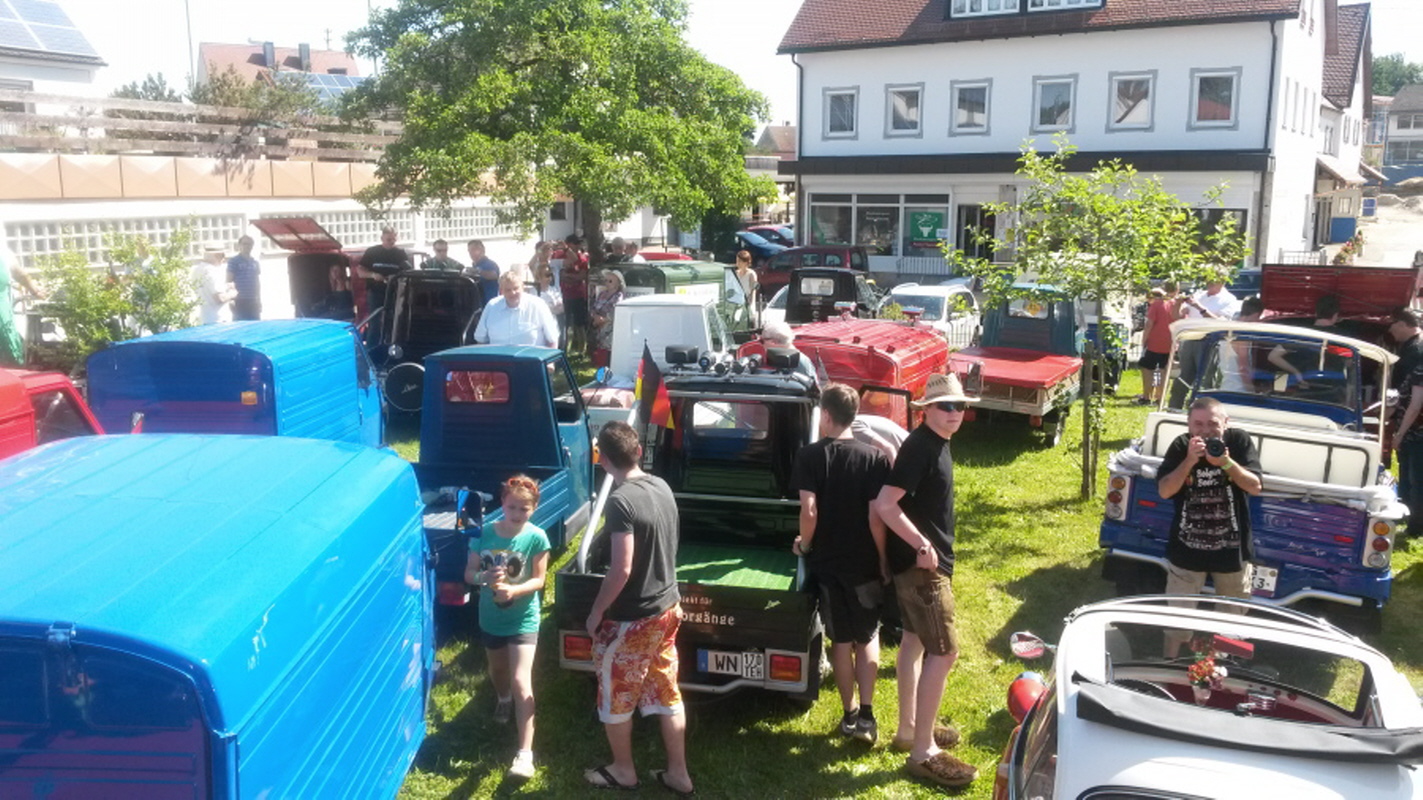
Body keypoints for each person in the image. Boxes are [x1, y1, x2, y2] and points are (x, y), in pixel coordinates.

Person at [871, 373, 979, 789]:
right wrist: (921, 544)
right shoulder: (921, 447)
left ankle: (909, 729)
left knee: (913, 643)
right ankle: (923, 752)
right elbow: (885, 504)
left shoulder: (935, 442)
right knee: (945, 653)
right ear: (926, 410)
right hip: (923, 570)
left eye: (960, 406)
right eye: (946, 406)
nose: (955, 413)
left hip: (918, 565)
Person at [583, 421, 692, 796]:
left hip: (633, 619)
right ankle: (678, 774)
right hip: (668, 609)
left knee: (615, 693)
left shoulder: (620, 501)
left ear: (603, 460)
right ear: (639, 452)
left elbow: (621, 569)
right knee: (666, 691)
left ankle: (624, 771)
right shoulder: (661, 485)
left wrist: (597, 612)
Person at [790, 384, 891, 744]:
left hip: (828, 565)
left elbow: (809, 511)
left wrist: (805, 545)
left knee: (841, 640)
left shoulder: (810, 456)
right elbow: (876, 517)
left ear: (826, 415)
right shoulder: (875, 458)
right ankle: (867, 716)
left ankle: (848, 714)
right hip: (865, 565)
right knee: (868, 637)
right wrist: (883, 559)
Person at [465, 475, 551, 780]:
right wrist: (484, 578)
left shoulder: (537, 537)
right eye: (512, 507)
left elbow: (539, 580)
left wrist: (514, 591)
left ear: (533, 508)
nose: (516, 514)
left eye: (523, 509)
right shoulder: (484, 532)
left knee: (520, 679)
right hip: (491, 618)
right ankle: (503, 699)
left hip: (523, 618)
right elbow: (469, 573)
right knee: (498, 670)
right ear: (502, 503)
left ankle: (525, 755)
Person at [1156, 397, 1263, 623]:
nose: (1206, 431)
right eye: (1199, 424)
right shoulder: (1181, 445)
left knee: (1232, 623)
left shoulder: (1239, 441)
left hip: (1232, 554)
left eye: (1213, 423)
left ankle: (1222, 648)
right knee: (1177, 623)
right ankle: (1176, 647)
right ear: (1189, 425)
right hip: (1186, 552)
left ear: (1226, 423)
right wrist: (1189, 461)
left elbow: (1255, 487)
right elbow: (1165, 491)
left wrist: (1226, 463)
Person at [1169, 275, 1240, 408]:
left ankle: (1201, 409)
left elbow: (1220, 323)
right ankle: (1174, 407)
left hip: (1209, 342)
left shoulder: (1229, 299)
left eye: (1213, 280)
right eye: (1208, 280)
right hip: (1189, 339)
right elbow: (1176, 316)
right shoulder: (1199, 294)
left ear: (1222, 281)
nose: (1209, 283)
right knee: (1183, 377)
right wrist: (1178, 303)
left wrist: (1199, 307)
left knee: (1205, 380)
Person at [473, 271, 559, 347]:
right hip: (498, 359)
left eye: (515, 288)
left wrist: (549, 360)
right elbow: (480, 340)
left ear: (523, 287)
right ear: (501, 291)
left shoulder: (538, 305)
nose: (512, 293)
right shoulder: (492, 306)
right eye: (508, 290)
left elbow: (552, 340)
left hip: (530, 359)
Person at [1135, 281, 1179, 405]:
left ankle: (1147, 396)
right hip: (1170, 342)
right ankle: (1160, 398)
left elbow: (1149, 324)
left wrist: (1144, 340)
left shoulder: (1157, 304)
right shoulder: (1176, 305)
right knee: (1163, 370)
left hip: (1154, 342)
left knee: (1148, 368)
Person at [358, 226, 410, 326]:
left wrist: (395, 278)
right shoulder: (372, 252)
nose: (392, 242)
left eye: (394, 239)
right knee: (375, 321)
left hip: (394, 292)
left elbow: (406, 272)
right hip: (375, 292)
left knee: (393, 321)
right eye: (389, 240)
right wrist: (373, 275)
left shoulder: (400, 253)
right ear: (382, 238)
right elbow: (360, 271)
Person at [1, 244, 43, 366]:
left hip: (2, 310)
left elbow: (18, 272)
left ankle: (14, 369)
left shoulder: (3, 251)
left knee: (8, 344)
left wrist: (35, 290)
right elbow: (18, 272)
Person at [557, 235, 590, 352]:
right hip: (564, 295)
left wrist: (568, 276)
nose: (577, 246)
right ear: (568, 243)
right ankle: (566, 348)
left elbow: (581, 276)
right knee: (566, 324)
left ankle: (582, 349)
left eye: (578, 243)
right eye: (575, 243)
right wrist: (571, 277)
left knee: (579, 323)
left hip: (578, 295)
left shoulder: (582, 258)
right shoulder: (559, 257)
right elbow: (559, 275)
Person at [191, 243, 235, 325]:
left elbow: (207, 290)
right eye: (223, 255)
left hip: (205, 318)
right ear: (217, 255)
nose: (224, 259)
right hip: (218, 320)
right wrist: (232, 293)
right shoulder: (213, 272)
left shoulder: (196, 270)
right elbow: (220, 298)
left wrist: (225, 287)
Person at [589, 269, 625, 367]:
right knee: (599, 352)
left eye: (610, 281)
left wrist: (603, 320)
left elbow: (615, 312)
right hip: (598, 327)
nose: (607, 283)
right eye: (606, 280)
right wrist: (595, 317)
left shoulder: (619, 296)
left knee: (608, 354)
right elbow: (593, 307)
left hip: (609, 329)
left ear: (618, 283)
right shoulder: (602, 294)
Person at [531, 264, 566, 350]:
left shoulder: (554, 290)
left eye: (550, 275)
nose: (549, 278)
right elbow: (535, 311)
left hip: (553, 326)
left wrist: (545, 309)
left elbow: (561, 308)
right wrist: (551, 309)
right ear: (538, 277)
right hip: (538, 329)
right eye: (546, 275)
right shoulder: (533, 292)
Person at [227, 235, 262, 321]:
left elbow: (257, 282)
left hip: (253, 300)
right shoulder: (233, 261)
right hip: (239, 300)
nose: (247, 246)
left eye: (249, 244)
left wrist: (259, 299)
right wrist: (231, 300)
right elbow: (229, 281)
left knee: (255, 325)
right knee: (240, 325)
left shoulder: (255, 263)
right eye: (244, 244)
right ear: (239, 245)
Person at [1388, 308, 1423, 392]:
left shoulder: (1416, 348)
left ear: (1402, 324)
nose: (1390, 330)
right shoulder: (1413, 345)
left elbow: (1414, 381)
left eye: (1391, 324)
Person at [734, 249, 760, 326]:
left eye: (739, 261)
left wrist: (750, 306)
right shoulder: (736, 273)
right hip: (737, 303)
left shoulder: (751, 274)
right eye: (737, 260)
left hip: (747, 303)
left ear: (745, 262)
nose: (737, 263)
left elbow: (753, 291)